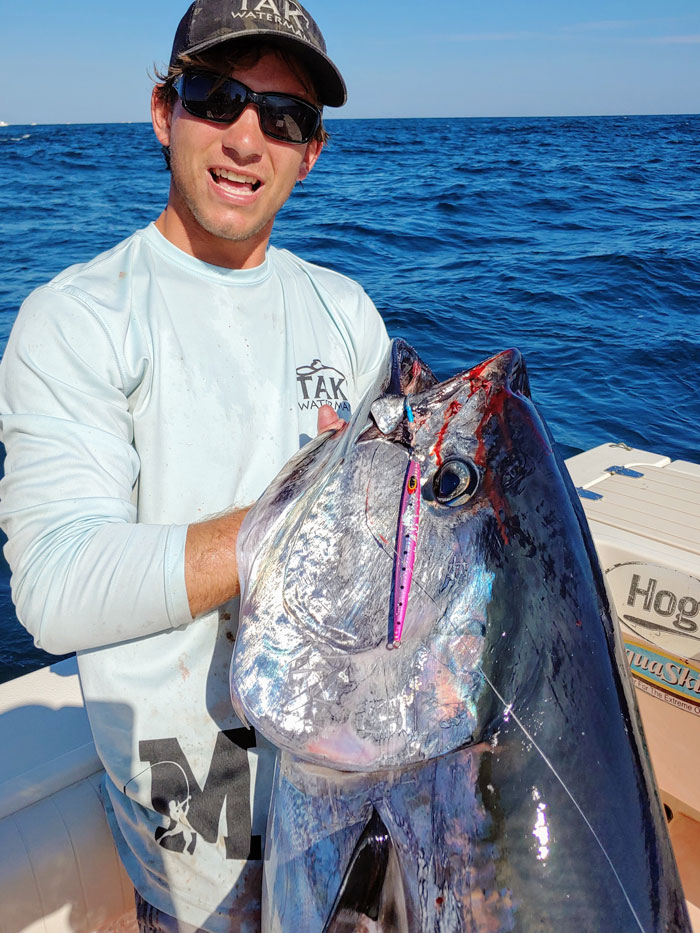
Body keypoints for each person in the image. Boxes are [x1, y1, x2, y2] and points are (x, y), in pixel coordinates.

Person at [0, 1, 389, 929]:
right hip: (188, 790)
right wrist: (299, 523)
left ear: (313, 151)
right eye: (218, 97)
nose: (247, 139)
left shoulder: (349, 313)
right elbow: (53, 585)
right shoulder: (78, 319)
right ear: (162, 111)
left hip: (345, 761)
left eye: (284, 117)